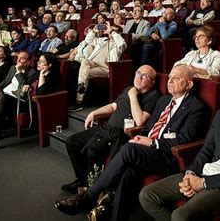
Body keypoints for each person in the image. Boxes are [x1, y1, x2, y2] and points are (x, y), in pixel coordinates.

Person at [55, 65, 209, 221]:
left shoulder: (196, 108)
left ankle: (88, 197)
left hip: (167, 156)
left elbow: (183, 140)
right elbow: (149, 127)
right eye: (170, 77)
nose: (170, 81)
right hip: (147, 150)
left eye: (176, 78)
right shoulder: (164, 101)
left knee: (129, 149)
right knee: (128, 172)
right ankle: (114, 214)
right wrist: (140, 138)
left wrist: (152, 142)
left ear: (188, 85)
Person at [139, 68, 220, 221]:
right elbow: (207, 150)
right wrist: (191, 174)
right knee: (147, 195)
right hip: (204, 173)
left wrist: (203, 183)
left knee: (180, 216)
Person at [61, 65, 159, 194]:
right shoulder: (129, 89)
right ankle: (82, 180)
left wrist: (133, 96)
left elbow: (140, 120)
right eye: (138, 73)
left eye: (144, 76)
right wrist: (94, 113)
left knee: (92, 150)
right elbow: (113, 106)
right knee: (71, 142)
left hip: (120, 134)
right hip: (105, 127)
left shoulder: (153, 96)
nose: (139, 77)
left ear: (152, 82)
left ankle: (92, 189)